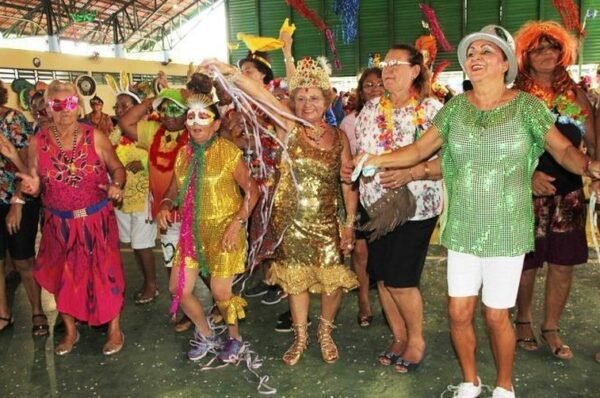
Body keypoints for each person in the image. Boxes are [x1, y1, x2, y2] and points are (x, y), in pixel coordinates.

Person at [353, 25, 600, 398]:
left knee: (496, 315)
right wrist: (375, 157)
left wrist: (588, 166)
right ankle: (470, 381)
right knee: (457, 313)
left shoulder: (527, 107)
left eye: (487, 51)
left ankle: (504, 385)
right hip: (464, 227)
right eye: (471, 53)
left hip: (507, 227)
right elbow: (419, 151)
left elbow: (563, 151)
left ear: (505, 63)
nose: (476, 58)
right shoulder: (454, 109)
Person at [202, 56, 359, 365]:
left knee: (332, 282)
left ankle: (325, 333)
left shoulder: (340, 137)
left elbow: (347, 184)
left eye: (314, 97)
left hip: (326, 222)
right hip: (291, 223)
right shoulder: (290, 127)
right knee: (296, 282)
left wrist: (349, 223)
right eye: (300, 98)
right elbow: (260, 95)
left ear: (328, 99)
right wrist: (233, 73)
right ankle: (300, 336)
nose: (307, 104)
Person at [18, 80, 126, 355]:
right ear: (48, 108)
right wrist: (31, 188)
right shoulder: (37, 142)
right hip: (58, 223)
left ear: (78, 105)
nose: (65, 110)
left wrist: (117, 185)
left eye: (70, 103)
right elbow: (36, 181)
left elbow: (117, 168)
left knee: (105, 275)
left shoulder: (95, 136)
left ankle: (114, 330)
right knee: (62, 278)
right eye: (58, 104)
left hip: (96, 221)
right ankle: (70, 331)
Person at [353, 45, 443, 372]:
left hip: (417, 206)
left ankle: (416, 340)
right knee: (383, 278)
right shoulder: (371, 108)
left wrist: (412, 171)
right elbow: (361, 154)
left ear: (415, 70)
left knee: (402, 279)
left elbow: (447, 161)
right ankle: (399, 335)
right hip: (375, 207)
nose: (387, 69)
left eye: (396, 63)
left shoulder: (433, 109)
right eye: (384, 62)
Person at [512, 21, 597, 361]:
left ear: (562, 52)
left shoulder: (575, 94)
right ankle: (523, 320)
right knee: (527, 264)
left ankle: (551, 327)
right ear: (526, 56)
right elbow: (504, 145)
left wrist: (596, 172)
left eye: (552, 47)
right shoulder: (516, 96)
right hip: (526, 190)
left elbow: (592, 141)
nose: (547, 53)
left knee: (563, 264)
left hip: (569, 192)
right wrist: (527, 174)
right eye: (538, 48)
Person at [157, 79, 258, 362]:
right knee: (178, 288)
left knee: (220, 290)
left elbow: (253, 191)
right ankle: (206, 333)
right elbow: (173, 191)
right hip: (192, 233)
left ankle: (235, 338)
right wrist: (165, 205)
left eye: (204, 116)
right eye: (191, 116)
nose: (196, 122)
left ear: (215, 125)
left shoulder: (228, 152)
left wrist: (238, 223)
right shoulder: (183, 155)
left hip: (227, 229)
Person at [119, 87, 194, 332]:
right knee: (172, 261)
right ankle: (185, 307)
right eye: (165, 109)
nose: (169, 115)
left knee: (201, 262)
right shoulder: (152, 132)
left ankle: (218, 304)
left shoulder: (196, 131)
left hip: (195, 210)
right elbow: (125, 121)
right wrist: (153, 100)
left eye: (176, 109)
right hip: (166, 214)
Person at [0, 80, 48, 336]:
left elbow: (30, 167)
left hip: (17, 198)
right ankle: (3, 312)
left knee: (22, 260)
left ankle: (38, 311)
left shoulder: (13, 120)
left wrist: (16, 202)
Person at [339, 67, 384, 328]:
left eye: (379, 84)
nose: (374, 89)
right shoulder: (349, 121)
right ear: (360, 90)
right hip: (358, 190)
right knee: (360, 250)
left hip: (387, 192)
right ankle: (364, 301)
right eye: (368, 85)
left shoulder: (397, 115)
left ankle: (390, 304)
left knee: (384, 253)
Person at [110, 88, 158, 305]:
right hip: (121, 199)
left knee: (143, 244)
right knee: (133, 244)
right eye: (117, 106)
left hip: (143, 195)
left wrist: (144, 165)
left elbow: (162, 159)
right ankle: (145, 281)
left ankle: (152, 285)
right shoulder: (115, 133)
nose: (120, 110)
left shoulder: (149, 130)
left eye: (125, 106)